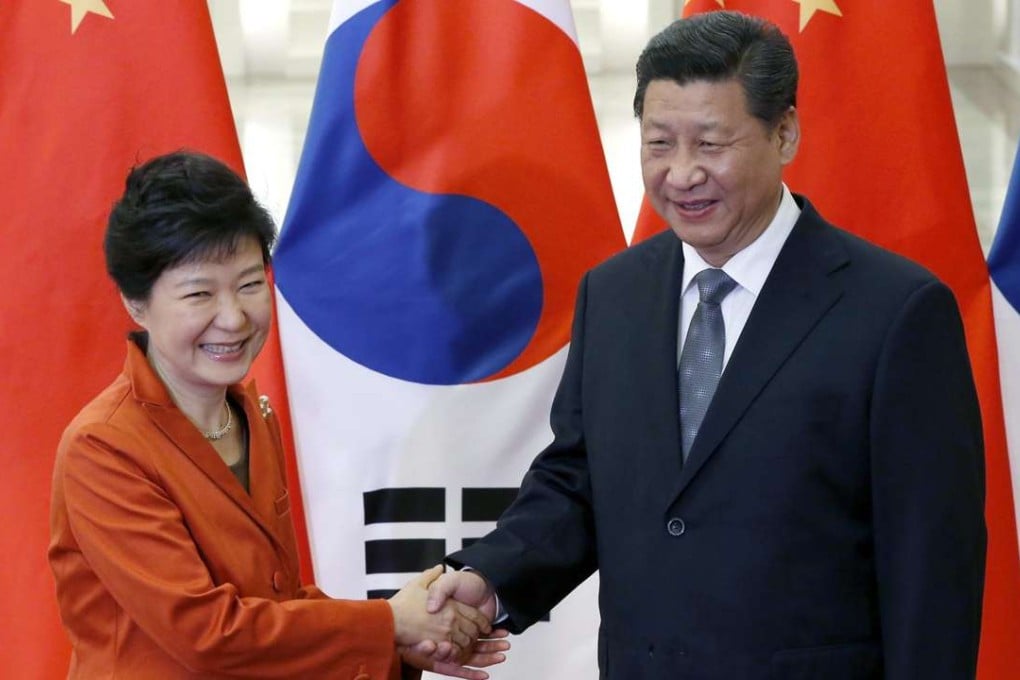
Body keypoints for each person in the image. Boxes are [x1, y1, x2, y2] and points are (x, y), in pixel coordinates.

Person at [424, 11, 986, 679]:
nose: (682, 174)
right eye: (659, 144)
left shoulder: (895, 311)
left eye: (711, 145)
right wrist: (490, 580)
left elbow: (931, 567)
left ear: (785, 132)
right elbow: (578, 482)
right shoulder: (614, 294)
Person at [48, 151, 507, 679]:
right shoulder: (104, 446)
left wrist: (402, 638)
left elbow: (277, 601)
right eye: (199, 294)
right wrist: (388, 625)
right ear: (136, 303)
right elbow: (206, 633)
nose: (233, 317)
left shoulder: (251, 414)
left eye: (249, 284)